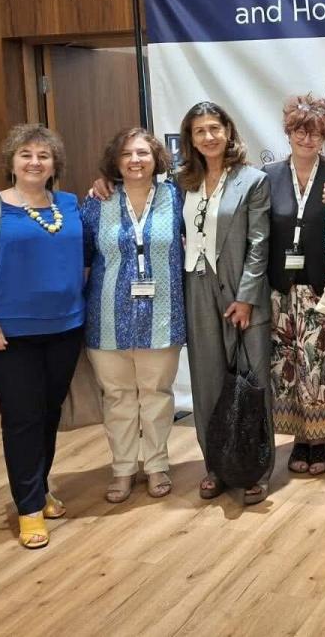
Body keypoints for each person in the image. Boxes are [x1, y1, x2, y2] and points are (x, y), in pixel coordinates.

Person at [0, 125, 85, 549]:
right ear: (11, 161)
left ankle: (40, 489)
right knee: (22, 418)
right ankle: (28, 508)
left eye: (43, 155)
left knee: (48, 413)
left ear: (55, 164)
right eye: (25, 154)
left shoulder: (69, 204)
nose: (34, 162)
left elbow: (83, 260)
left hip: (65, 329)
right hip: (7, 333)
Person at [80, 128, 185, 504]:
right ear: (115, 161)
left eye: (142, 153)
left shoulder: (177, 197)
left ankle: (157, 465)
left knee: (157, 395)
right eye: (126, 154)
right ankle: (123, 468)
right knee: (118, 397)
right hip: (107, 317)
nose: (135, 160)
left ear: (157, 158)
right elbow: (82, 258)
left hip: (162, 315)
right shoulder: (97, 201)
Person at [177, 101, 274, 505]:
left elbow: (259, 243)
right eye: (200, 130)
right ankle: (216, 465)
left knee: (253, 382)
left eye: (215, 128)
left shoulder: (252, 180)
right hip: (196, 288)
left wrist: (246, 298)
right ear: (191, 138)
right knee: (207, 381)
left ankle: (254, 469)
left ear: (228, 131)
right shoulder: (181, 182)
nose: (209, 137)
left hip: (240, 292)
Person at [264, 95, 325, 476]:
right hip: (279, 291)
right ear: (288, 133)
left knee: (317, 365)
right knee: (286, 365)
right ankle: (299, 438)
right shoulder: (268, 176)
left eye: (315, 133)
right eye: (300, 131)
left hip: (319, 288)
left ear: (324, 137)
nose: (306, 139)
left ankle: (320, 442)